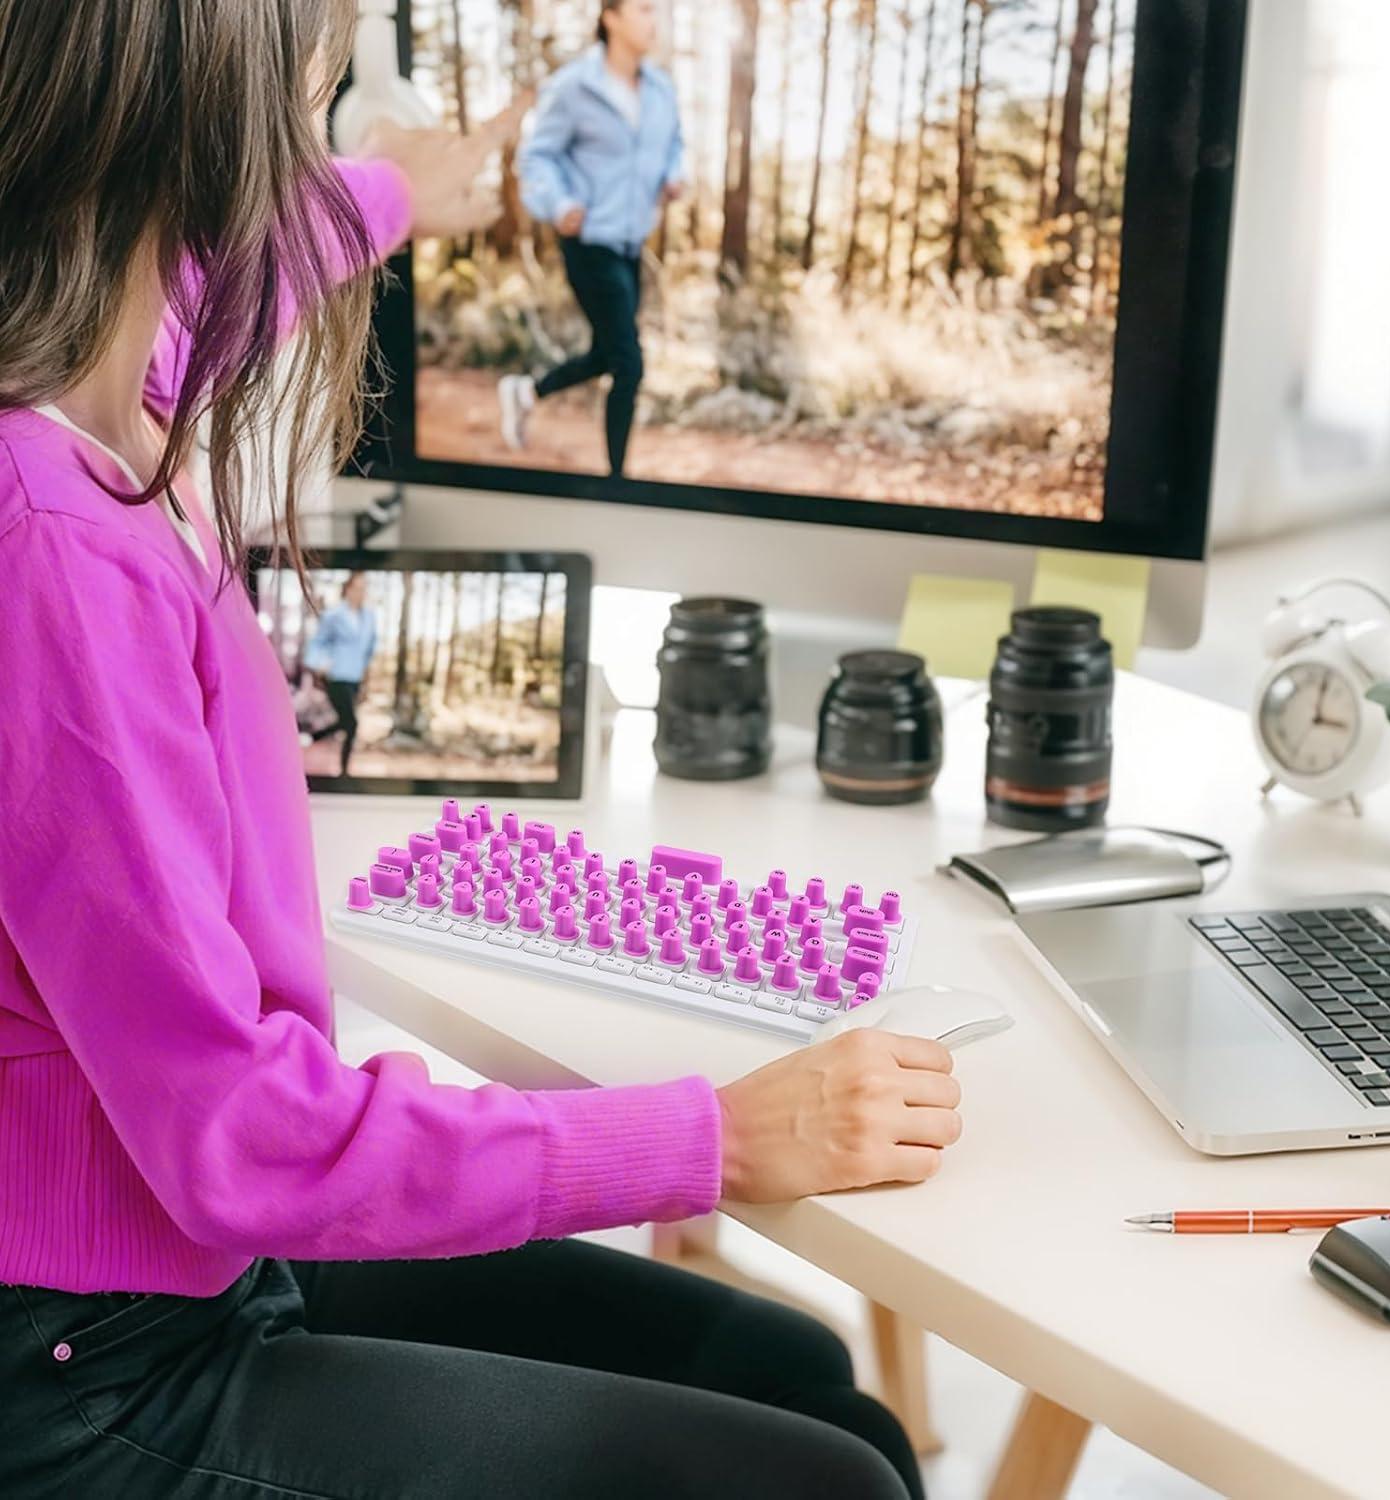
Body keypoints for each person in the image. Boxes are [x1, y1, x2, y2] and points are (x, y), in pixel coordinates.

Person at [0, 6, 961, 1497]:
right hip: (94, 1365)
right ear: (214, 104)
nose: (320, 91)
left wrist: (394, 190)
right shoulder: (52, 543)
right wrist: (714, 1137)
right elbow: (240, 1135)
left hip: (190, 1258)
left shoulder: (99, 373)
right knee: (829, 1483)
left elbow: (217, 288)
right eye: (311, 66)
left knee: (804, 1383)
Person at [501, 0, 683, 479]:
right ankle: (618, 481)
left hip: (629, 243)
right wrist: (558, 205)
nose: (654, 20)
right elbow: (537, 158)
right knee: (628, 362)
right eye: (643, 9)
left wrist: (675, 175)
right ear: (611, 16)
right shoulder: (575, 87)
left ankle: (525, 392)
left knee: (608, 352)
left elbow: (675, 147)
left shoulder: (661, 89)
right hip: (586, 240)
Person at [306, 570, 378, 776]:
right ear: (347, 589)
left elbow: (370, 647)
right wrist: (318, 664)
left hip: (355, 676)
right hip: (336, 675)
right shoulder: (334, 616)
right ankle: (344, 771)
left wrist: (366, 672)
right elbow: (318, 643)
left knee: (346, 723)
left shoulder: (369, 618)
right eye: (357, 587)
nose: (361, 592)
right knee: (351, 723)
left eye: (364, 588)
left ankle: (315, 736)